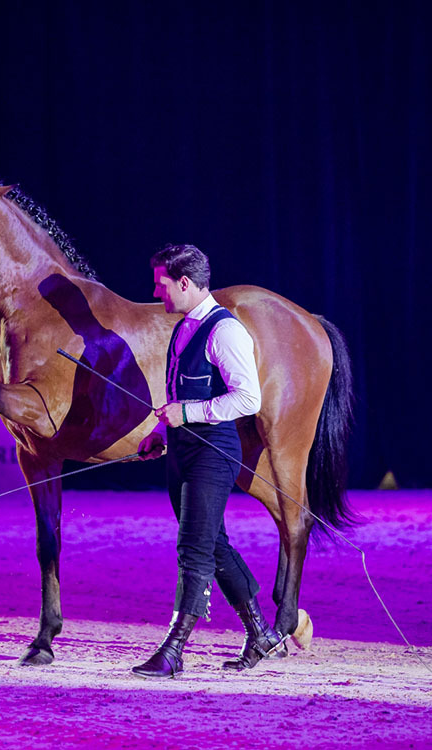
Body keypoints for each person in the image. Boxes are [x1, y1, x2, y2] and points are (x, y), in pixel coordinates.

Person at [131, 244, 285, 679]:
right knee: (212, 543)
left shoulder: (226, 330)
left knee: (193, 548)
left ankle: (174, 650)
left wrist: (189, 415)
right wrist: (163, 429)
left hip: (214, 453)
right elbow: (181, 394)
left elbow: (248, 397)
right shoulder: (182, 328)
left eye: (161, 283)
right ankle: (261, 633)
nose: (156, 291)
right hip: (181, 450)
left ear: (184, 282)